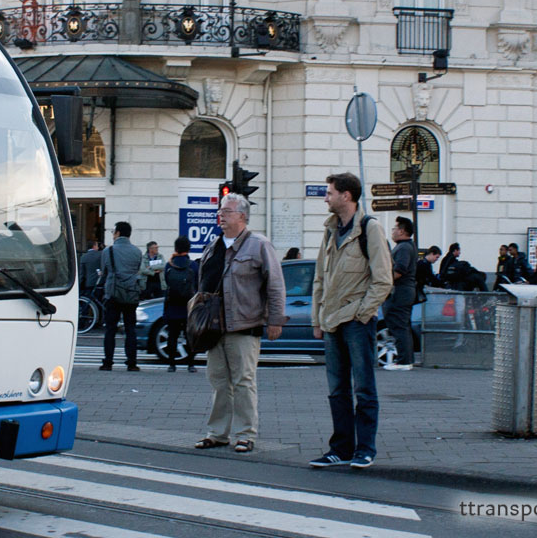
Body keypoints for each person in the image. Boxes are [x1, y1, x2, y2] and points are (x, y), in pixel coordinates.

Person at [309, 172, 392, 470]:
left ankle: (365, 449)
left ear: (347, 195)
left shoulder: (370, 228)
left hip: (357, 321)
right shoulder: (330, 230)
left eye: (329, 192)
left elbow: (383, 280)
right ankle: (341, 448)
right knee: (337, 390)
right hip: (331, 322)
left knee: (364, 388)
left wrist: (362, 313)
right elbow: (320, 277)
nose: (325, 197)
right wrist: (316, 319)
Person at [191, 193, 286, 454]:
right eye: (221, 211)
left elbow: (275, 285)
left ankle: (245, 434)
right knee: (219, 381)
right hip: (213, 327)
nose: (220, 215)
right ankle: (217, 433)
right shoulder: (213, 245)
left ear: (242, 216)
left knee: (244, 381)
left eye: (227, 211)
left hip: (244, 325)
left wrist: (275, 319)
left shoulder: (259, 244)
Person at [97, 221, 144, 371]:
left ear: (117, 233)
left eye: (113, 232)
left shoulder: (108, 251)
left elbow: (104, 271)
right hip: (131, 293)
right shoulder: (137, 252)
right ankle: (132, 362)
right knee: (130, 329)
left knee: (110, 329)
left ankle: (108, 362)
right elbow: (137, 270)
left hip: (113, 293)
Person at [382, 217, 417, 371]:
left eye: (395, 229)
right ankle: (407, 360)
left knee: (398, 326)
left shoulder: (403, 248)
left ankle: (403, 362)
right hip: (405, 292)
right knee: (403, 326)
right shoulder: (407, 246)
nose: (393, 231)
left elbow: (399, 270)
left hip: (399, 292)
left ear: (402, 231)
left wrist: (385, 281)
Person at [162, 235, 198, 373]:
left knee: (172, 335)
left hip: (172, 305)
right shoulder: (193, 265)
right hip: (189, 306)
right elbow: (197, 284)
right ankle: (191, 364)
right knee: (189, 336)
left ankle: (172, 364)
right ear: (188, 249)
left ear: (176, 248)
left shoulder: (169, 265)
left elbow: (167, 283)